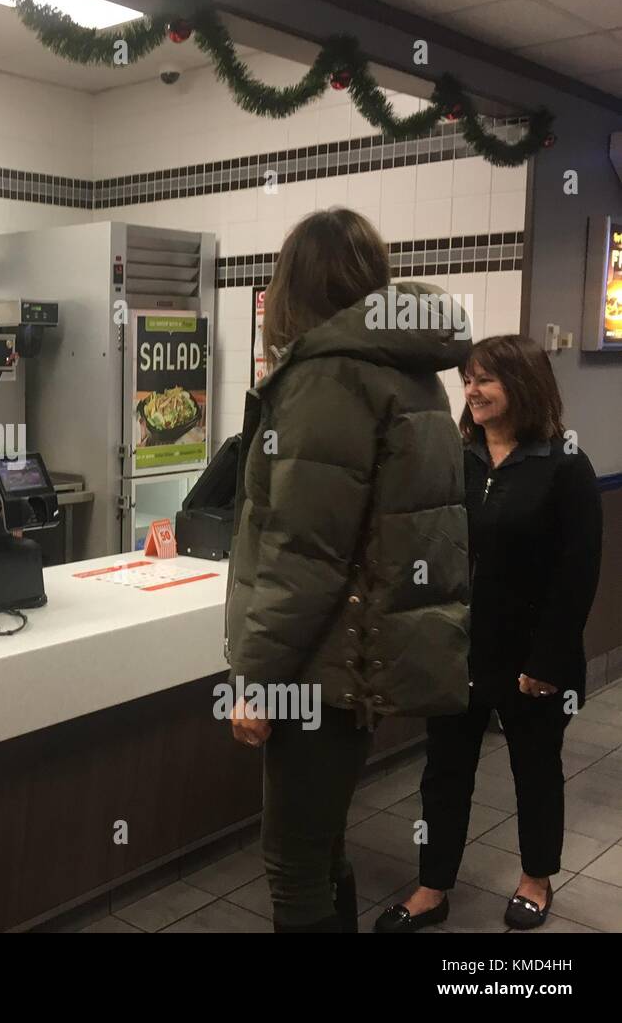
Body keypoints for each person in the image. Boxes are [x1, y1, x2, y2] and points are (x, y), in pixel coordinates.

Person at [225, 208, 472, 933]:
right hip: (360, 660)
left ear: (295, 283)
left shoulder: (327, 375)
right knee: (323, 844)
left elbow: (305, 553)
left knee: (294, 864)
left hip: (320, 663)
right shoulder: (410, 372)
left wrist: (257, 677)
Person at [376, 335, 602, 932]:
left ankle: (536, 879)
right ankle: (432, 888)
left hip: (530, 655)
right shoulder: (459, 458)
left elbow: (577, 577)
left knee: (535, 770)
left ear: (522, 385)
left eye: (485, 380)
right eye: (467, 380)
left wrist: (548, 660)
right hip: (458, 650)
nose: (471, 391)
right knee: (444, 773)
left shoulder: (565, 467)